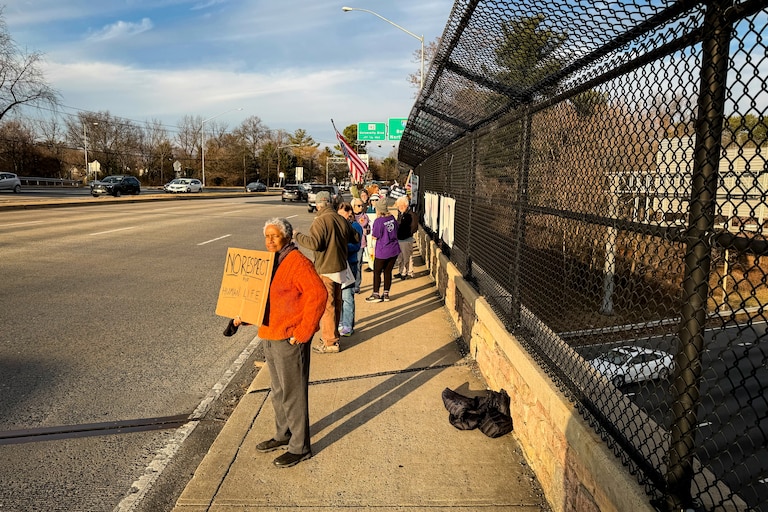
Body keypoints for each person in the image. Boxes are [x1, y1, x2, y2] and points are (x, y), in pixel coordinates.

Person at [233, 218, 326, 468]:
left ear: (287, 237)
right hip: (270, 335)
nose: (270, 240)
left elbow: (318, 295)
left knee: (293, 393)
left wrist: (304, 331)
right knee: (278, 391)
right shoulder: (270, 263)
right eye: (267, 236)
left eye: (275, 236)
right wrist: (245, 317)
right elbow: (266, 300)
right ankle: (283, 434)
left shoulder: (297, 263)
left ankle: (300, 447)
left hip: (289, 338)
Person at [295, 190, 360, 354]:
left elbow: (315, 244)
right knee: (337, 303)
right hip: (340, 267)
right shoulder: (340, 218)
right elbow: (356, 237)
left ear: (318, 205)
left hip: (326, 268)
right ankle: (334, 336)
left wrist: (297, 236)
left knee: (328, 306)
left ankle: (330, 342)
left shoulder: (320, 221)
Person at [366, 197, 400, 303]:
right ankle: (386, 294)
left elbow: (375, 236)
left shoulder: (378, 221)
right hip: (394, 249)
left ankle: (376, 293)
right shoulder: (392, 218)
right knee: (387, 272)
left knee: (377, 272)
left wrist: (371, 247)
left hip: (382, 251)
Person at [337, 202, 363, 336]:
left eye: (343, 214)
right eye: (339, 214)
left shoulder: (355, 226)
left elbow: (357, 246)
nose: (341, 217)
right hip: (337, 265)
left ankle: (347, 325)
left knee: (347, 295)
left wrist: (342, 248)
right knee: (338, 296)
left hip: (350, 264)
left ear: (350, 214)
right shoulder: (336, 226)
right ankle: (340, 321)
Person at [395, 196, 419, 279]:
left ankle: (409, 272)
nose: (400, 207)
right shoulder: (401, 214)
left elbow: (414, 227)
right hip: (400, 238)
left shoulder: (411, 215)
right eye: (399, 206)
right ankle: (402, 271)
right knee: (400, 257)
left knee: (407, 257)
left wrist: (406, 234)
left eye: (402, 205)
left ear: (406, 205)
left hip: (406, 239)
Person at [351, 197, 370, 292]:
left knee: (357, 264)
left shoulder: (364, 217)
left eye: (362, 205)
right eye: (358, 205)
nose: (361, 207)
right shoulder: (349, 216)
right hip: (349, 244)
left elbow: (364, 226)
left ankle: (356, 285)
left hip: (360, 244)